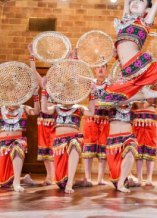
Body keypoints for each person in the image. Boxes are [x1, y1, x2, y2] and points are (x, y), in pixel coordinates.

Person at [41, 79, 96, 194]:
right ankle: (76, 182)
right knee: (60, 181)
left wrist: (92, 94)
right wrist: (45, 91)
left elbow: (91, 112)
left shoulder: (79, 107)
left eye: (71, 92)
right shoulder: (56, 107)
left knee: (75, 144)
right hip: (59, 142)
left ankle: (70, 182)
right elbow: (44, 109)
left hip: (73, 137)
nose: (69, 94)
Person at [0, 87, 40, 192]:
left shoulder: (24, 108)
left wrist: (36, 95)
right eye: (11, 93)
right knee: (3, 181)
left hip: (17, 140)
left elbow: (36, 111)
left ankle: (17, 182)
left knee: (18, 146)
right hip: (2, 144)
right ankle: (23, 179)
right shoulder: (1, 108)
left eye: (17, 93)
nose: (14, 96)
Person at [28, 44, 55, 185]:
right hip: (43, 121)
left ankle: (56, 175)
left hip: (55, 120)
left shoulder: (61, 88)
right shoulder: (44, 84)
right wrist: (32, 55)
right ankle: (49, 177)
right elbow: (33, 72)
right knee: (44, 148)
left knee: (53, 149)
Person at [82, 64, 110, 185]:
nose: (100, 69)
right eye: (97, 67)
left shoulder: (110, 84)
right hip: (91, 118)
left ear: (106, 70)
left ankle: (100, 178)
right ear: (94, 69)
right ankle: (88, 177)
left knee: (103, 148)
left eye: (103, 67)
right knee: (89, 146)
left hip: (105, 118)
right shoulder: (89, 83)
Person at [106, 103, 138, 192]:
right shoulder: (110, 98)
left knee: (131, 150)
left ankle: (120, 184)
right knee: (116, 174)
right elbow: (101, 101)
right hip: (113, 140)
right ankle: (121, 181)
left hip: (128, 136)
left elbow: (146, 100)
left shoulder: (134, 101)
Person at [132, 98, 157, 186]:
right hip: (137, 118)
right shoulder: (136, 88)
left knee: (150, 147)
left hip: (150, 118)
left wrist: (143, 102)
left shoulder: (152, 88)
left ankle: (149, 177)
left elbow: (152, 101)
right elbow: (136, 104)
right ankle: (139, 177)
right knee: (138, 148)